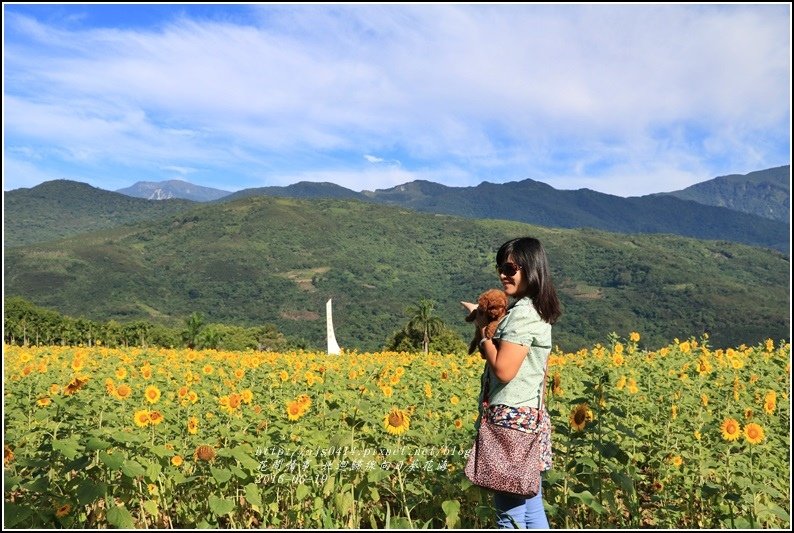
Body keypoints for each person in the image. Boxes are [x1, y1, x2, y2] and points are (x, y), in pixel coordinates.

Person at [471, 237, 562, 529]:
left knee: (508, 515)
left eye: (510, 267)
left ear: (531, 269)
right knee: (530, 505)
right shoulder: (534, 309)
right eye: (500, 267)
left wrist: (483, 334)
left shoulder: (522, 314)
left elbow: (503, 369)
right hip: (528, 419)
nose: (502, 274)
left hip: (511, 425)